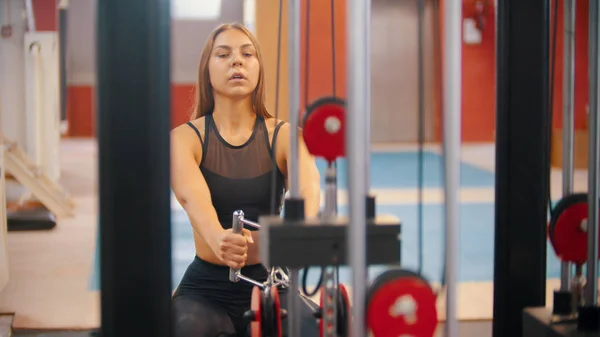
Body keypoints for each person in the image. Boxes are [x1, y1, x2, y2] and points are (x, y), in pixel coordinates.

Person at [170, 22, 322, 337]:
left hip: (272, 282)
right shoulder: (185, 139)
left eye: (247, 54)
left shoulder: (286, 137)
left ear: (258, 69)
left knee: (309, 329)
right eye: (223, 54)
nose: (237, 61)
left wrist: (299, 230)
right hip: (206, 289)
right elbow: (191, 197)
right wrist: (217, 238)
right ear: (206, 71)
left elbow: (309, 192)